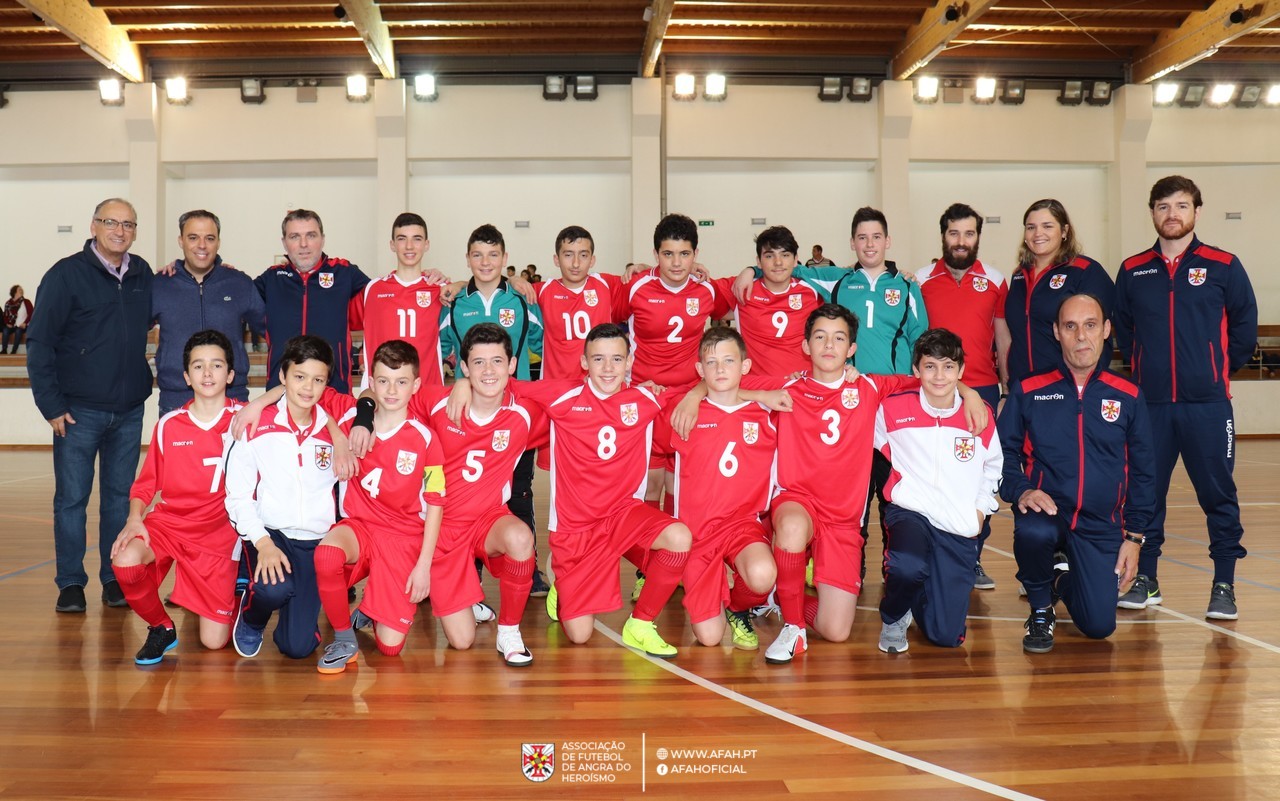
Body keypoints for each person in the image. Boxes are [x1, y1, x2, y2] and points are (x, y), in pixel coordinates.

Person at [454, 323, 693, 657]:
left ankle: (641, 624)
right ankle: (560, 579)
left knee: (679, 537)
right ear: (584, 362)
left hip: (623, 515)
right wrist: (463, 384)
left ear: (629, 362)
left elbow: (704, 388)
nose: (608, 368)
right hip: (575, 530)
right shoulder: (561, 395)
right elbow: (506, 384)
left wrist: (695, 395)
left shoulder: (645, 398)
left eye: (616, 359)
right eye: (598, 359)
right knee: (579, 636)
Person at [1113, 175, 1258, 619]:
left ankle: (1224, 586)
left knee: (1218, 496)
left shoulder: (1223, 264)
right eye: (1162, 206)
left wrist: (1212, 371)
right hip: (1150, 408)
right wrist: (1144, 372)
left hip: (1208, 407)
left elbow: (1244, 326)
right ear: (1152, 212)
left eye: (1180, 205)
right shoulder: (1133, 269)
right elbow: (1122, 327)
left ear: (1197, 210)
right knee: (1145, 496)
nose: (1171, 214)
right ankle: (1147, 579)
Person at [999, 293, 1155, 652]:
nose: (1081, 336)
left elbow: (1145, 472)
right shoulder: (1029, 390)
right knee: (1033, 531)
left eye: (1090, 325)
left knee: (1099, 626)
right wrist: (1021, 489)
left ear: (1106, 330)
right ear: (1056, 332)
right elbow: (1002, 453)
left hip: (1101, 523)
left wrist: (1134, 539)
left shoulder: (1129, 395)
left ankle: (1057, 581)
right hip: (1048, 511)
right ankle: (1040, 609)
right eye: (1070, 326)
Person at [27, 197, 153, 613]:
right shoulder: (65, 275)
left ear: (135, 231)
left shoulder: (142, 274)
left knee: (119, 499)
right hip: (77, 412)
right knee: (71, 501)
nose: (120, 231)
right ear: (94, 226)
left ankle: (114, 578)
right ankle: (70, 583)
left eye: (128, 224)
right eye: (111, 222)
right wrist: (50, 405)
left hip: (129, 409)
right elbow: (40, 342)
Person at [310, 340, 446, 673]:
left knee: (389, 649)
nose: (391, 389)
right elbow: (303, 395)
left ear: (415, 385)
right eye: (383, 380)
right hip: (360, 529)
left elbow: (436, 502)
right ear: (370, 381)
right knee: (326, 554)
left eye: (401, 382)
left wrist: (424, 566)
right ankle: (343, 637)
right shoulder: (353, 420)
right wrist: (341, 437)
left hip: (403, 538)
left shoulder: (426, 439)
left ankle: (372, 609)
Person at [109, 330, 243, 664]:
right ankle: (161, 627)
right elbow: (145, 483)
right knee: (125, 559)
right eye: (198, 366)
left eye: (216, 365)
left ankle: (239, 590)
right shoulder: (170, 424)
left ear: (230, 374)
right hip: (170, 524)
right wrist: (134, 518)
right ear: (186, 376)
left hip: (219, 535)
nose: (208, 373)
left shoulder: (245, 420)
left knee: (213, 643)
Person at [417, 325, 541, 666]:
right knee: (461, 642)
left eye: (497, 361)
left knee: (520, 537)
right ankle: (467, 598)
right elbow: (381, 395)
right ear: (465, 367)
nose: (489, 371)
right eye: (479, 363)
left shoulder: (526, 411)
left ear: (512, 365)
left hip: (488, 520)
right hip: (442, 527)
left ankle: (509, 631)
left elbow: (583, 391)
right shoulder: (436, 401)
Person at [874, 328, 1002, 654]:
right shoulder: (891, 409)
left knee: (946, 637)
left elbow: (993, 468)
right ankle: (894, 615)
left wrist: (979, 511)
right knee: (907, 566)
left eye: (948, 367)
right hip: (910, 511)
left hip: (957, 524)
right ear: (916, 370)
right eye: (930, 366)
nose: (939, 375)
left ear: (961, 371)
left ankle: (924, 587)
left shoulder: (978, 414)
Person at [440, 224, 547, 595]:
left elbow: (541, 345)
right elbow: (439, 348)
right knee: (464, 489)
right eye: (477, 255)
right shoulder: (454, 302)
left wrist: (534, 396)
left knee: (519, 489)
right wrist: (454, 383)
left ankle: (528, 567)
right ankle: (466, 566)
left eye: (493, 255)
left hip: (514, 411)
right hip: (466, 412)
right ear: (467, 259)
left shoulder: (520, 301)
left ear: (505, 259)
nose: (485, 262)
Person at [915, 203, 1010, 590]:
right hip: (933, 391)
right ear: (943, 236)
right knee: (934, 475)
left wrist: (1006, 390)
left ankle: (972, 558)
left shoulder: (995, 280)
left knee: (976, 481)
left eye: (969, 234)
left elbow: (1003, 340)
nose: (961, 241)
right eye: (954, 233)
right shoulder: (919, 280)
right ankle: (930, 556)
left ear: (977, 238)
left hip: (984, 390)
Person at [226, 335, 340, 659]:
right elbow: (236, 497)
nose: (308, 388)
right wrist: (263, 544)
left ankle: (295, 612)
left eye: (318, 380)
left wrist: (342, 440)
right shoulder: (255, 425)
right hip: (270, 533)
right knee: (273, 589)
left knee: (298, 647)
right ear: (283, 377)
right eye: (299, 377)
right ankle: (252, 617)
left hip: (315, 541)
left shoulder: (333, 429)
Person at [665, 327, 778, 651]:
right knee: (710, 639)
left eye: (729, 361)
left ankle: (738, 606)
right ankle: (714, 593)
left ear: (745, 365)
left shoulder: (767, 412)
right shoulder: (683, 412)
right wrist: (692, 395)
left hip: (741, 525)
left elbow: (813, 387)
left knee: (762, 574)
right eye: (711, 363)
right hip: (697, 534)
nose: (720, 369)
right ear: (700, 370)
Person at [616, 214, 729, 510]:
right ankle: (651, 555)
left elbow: (744, 291)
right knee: (649, 485)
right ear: (655, 255)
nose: (677, 263)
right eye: (668, 254)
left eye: (684, 254)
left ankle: (677, 554)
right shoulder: (636, 287)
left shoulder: (707, 289)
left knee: (680, 482)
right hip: (646, 396)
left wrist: (750, 270)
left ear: (696, 255)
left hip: (688, 400)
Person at [152, 210, 266, 414]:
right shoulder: (159, 285)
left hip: (232, 400)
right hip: (176, 401)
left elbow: (272, 330)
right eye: (193, 237)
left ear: (218, 242)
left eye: (209, 238)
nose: (202, 245)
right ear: (181, 240)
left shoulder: (239, 283)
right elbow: (130, 333)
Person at [255, 209, 371, 394]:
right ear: (284, 243)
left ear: (322, 239)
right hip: (280, 394)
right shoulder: (271, 278)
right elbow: (235, 296)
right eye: (294, 237)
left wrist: (424, 277)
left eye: (311, 235)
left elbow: (385, 297)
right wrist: (224, 272)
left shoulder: (344, 273)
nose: (303, 244)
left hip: (335, 391)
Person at [1001, 199, 1115, 386]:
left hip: (1065, 389)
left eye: (1047, 226)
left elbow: (1101, 336)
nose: (1038, 233)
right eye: (1031, 227)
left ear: (1064, 231)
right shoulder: (1019, 275)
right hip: (1022, 389)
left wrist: (1086, 389)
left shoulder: (1085, 271)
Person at [351, 213, 448, 390]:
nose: (409, 246)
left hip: (427, 393)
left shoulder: (440, 289)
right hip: (382, 395)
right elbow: (341, 319)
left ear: (426, 244)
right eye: (402, 239)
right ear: (392, 245)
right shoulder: (373, 289)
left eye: (417, 239)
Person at [713, 225, 823, 377]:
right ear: (758, 261)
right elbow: (701, 289)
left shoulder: (813, 290)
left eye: (785, 255)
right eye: (769, 256)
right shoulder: (742, 287)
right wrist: (691, 267)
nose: (778, 262)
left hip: (802, 388)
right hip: (758, 391)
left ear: (796, 259)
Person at [2, 285, 32, 354]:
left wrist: (25, 323)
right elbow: (5, 315)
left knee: (18, 331)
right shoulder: (8, 303)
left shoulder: (26, 302)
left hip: (23, 325)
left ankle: (14, 350)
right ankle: (4, 350)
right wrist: (7, 323)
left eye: (22, 289)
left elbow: (31, 314)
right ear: (14, 292)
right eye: (19, 289)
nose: (21, 290)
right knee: (5, 330)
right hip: (13, 325)